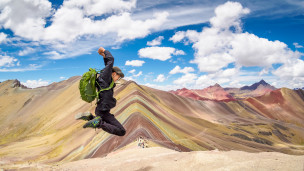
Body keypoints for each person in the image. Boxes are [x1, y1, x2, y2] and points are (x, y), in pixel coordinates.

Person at [77, 47, 126, 136]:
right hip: (103, 110)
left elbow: (107, 64)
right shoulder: (106, 77)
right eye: (118, 77)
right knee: (121, 131)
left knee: (110, 124)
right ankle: (98, 122)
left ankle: (90, 117)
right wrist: (104, 51)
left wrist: (103, 56)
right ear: (114, 73)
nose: (118, 79)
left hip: (101, 110)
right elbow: (111, 60)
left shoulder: (105, 79)